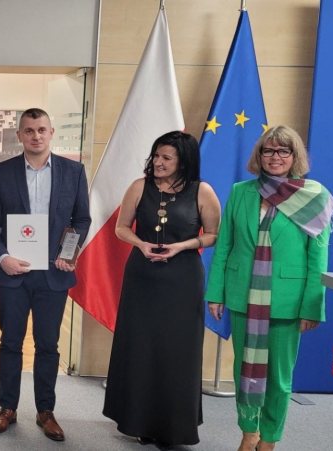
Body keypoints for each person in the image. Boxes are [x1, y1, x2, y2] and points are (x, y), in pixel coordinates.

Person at [206, 125, 333, 451]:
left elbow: (318, 258)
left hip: (288, 301)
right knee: (244, 370)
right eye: (269, 150)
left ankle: (269, 438)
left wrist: (312, 306)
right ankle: (248, 431)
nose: (275, 157)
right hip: (243, 295)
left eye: (283, 151)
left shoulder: (314, 196)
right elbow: (225, 246)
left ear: (294, 156)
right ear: (259, 155)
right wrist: (216, 292)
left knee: (278, 377)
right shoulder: (241, 192)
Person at [102, 131, 221, 447]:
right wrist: (141, 244)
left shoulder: (202, 191)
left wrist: (182, 245)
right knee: (142, 348)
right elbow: (121, 228)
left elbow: (213, 235)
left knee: (177, 351)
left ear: (184, 161)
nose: (158, 162)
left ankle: (174, 427)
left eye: (167, 157)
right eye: (156, 155)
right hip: (142, 277)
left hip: (182, 280)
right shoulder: (139, 187)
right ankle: (140, 422)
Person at [0, 108, 91, 441]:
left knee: (48, 345)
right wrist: (2, 258)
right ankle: (7, 409)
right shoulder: (3, 172)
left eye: (41, 129)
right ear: (20, 136)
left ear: (52, 132)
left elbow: (82, 219)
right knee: (10, 342)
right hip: (13, 274)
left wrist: (68, 253)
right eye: (28, 130)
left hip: (53, 274)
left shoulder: (73, 171)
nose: (36, 136)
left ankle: (46, 411)